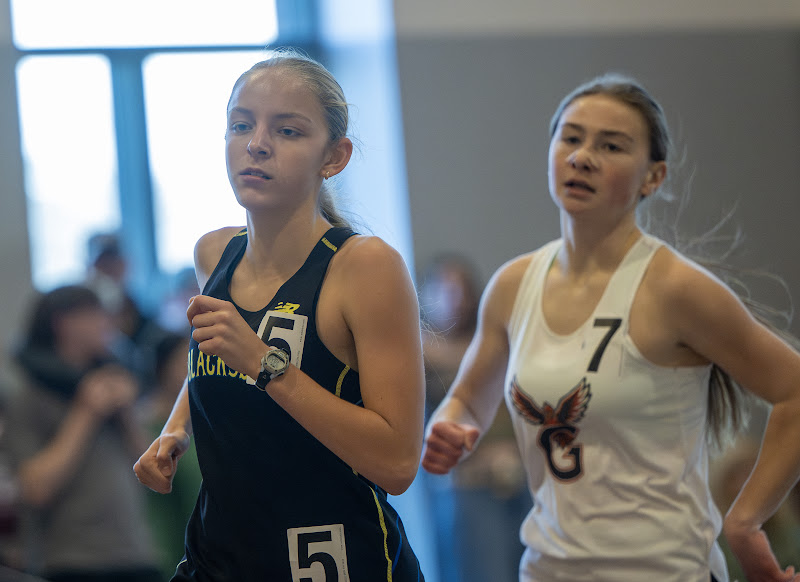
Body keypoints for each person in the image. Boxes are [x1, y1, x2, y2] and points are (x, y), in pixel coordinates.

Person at [421, 73, 800, 582]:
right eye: (571, 138)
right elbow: (470, 398)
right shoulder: (514, 284)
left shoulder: (676, 289)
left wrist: (746, 522)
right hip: (548, 569)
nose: (582, 157)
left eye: (611, 145)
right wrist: (451, 425)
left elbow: (794, 390)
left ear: (653, 177)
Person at [133, 49, 426, 581]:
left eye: (288, 131)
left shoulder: (364, 267)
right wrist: (177, 430)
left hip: (332, 557)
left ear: (334, 157)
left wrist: (267, 365)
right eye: (241, 125)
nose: (257, 144)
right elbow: (214, 358)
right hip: (219, 556)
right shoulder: (213, 254)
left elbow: (398, 462)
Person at [5, 285, 162, 582]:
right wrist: (85, 413)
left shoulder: (114, 378)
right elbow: (34, 489)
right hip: (71, 562)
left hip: (136, 552)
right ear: (63, 323)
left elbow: (154, 472)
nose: (107, 323)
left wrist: (127, 413)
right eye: (95, 314)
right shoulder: (28, 396)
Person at [419, 254, 528, 582]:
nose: (458, 300)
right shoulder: (420, 353)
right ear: (426, 295)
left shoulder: (495, 343)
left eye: (462, 289)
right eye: (446, 290)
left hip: (518, 478)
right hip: (466, 486)